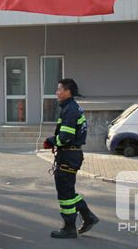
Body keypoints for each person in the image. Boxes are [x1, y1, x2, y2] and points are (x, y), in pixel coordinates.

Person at [44, 78, 99, 238]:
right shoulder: (71, 107)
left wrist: (51, 141)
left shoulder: (70, 109)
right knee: (68, 190)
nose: (57, 92)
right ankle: (89, 217)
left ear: (67, 92)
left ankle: (69, 228)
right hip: (70, 154)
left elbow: (66, 136)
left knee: (65, 194)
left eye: (59, 89)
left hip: (69, 154)